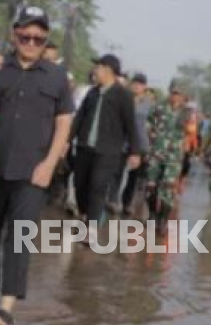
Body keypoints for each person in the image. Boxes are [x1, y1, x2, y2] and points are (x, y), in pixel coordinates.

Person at [0, 5, 73, 325]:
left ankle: (5, 310)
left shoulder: (56, 76)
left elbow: (64, 122)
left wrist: (50, 163)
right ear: (15, 34)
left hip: (33, 171)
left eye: (38, 37)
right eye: (25, 35)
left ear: (45, 40)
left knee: (21, 236)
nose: (31, 41)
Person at [70, 54, 140, 228]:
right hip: (85, 146)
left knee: (98, 186)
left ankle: (91, 227)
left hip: (108, 151)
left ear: (108, 70)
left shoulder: (123, 95)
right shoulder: (92, 92)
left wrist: (135, 152)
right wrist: (67, 140)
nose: (95, 70)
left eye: (98, 67)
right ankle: (86, 214)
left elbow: (131, 124)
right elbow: (79, 117)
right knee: (80, 184)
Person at [146, 80, 190, 235]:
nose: (176, 96)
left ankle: (162, 221)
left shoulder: (187, 112)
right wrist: (150, 135)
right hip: (156, 152)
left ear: (184, 96)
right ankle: (152, 214)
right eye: (174, 93)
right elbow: (148, 122)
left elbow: (191, 134)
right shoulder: (158, 107)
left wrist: (188, 154)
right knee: (151, 186)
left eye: (179, 94)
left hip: (174, 156)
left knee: (168, 188)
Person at [120, 73, 152, 217]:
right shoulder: (124, 99)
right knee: (117, 172)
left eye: (140, 84)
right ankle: (113, 200)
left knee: (133, 177)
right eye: (135, 83)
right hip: (122, 142)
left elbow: (153, 126)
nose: (136, 86)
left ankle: (127, 203)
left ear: (144, 87)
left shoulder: (149, 105)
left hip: (139, 144)